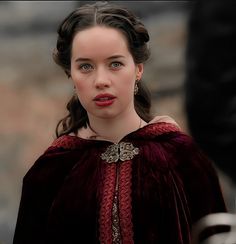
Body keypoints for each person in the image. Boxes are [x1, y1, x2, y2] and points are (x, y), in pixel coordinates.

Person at [13, 2, 227, 243]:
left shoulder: (182, 157)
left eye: (115, 63)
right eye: (85, 66)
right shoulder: (50, 171)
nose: (101, 80)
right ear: (70, 74)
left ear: (138, 69)